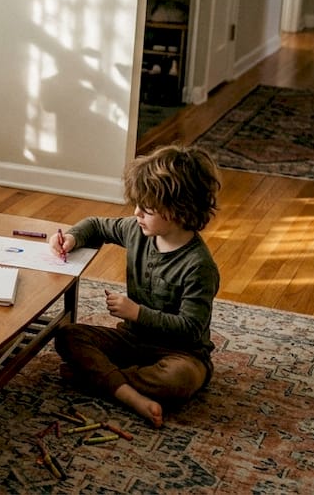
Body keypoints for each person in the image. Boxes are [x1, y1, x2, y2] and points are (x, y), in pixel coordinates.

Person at [51, 144, 222, 428]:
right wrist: (71, 238)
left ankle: (104, 380)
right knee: (68, 335)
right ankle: (127, 390)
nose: (137, 212)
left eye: (147, 208)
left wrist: (137, 313)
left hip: (181, 353)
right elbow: (95, 225)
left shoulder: (198, 266)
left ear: (178, 210)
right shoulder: (136, 230)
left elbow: (191, 327)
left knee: (178, 380)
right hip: (131, 341)